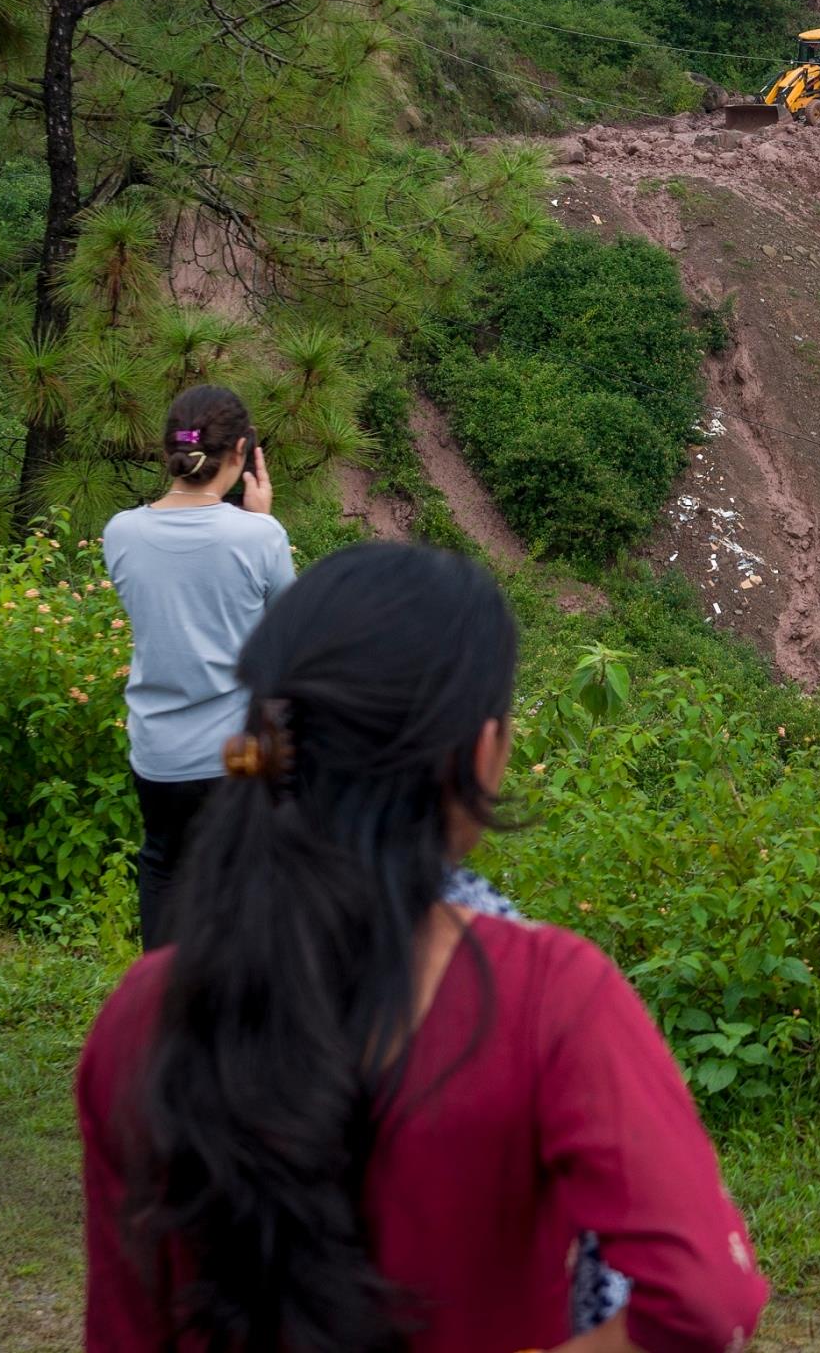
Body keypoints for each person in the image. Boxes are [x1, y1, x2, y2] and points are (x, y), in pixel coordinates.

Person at [76, 542, 768, 1353]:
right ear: (482, 752)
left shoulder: (145, 1011)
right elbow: (704, 1298)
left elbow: (126, 1328)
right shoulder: (550, 998)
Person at [103, 384, 295, 949]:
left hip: (157, 752)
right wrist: (261, 519)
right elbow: (288, 637)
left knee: (162, 866)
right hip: (235, 756)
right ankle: (234, 1017)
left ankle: (163, 1005)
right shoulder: (259, 536)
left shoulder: (121, 532)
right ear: (240, 452)